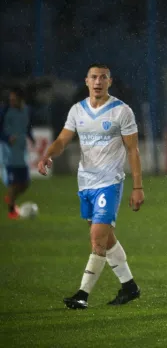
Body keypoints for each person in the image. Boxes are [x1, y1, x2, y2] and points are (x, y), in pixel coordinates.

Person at [37, 64, 145, 309]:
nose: (98, 82)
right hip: (85, 183)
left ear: (110, 82)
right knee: (106, 240)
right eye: (94, 77)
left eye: (103, 78)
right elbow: (63, 139)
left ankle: (82, 295)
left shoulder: (121, 111)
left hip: (109, 182)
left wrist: (137, 187)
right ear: (86, 81)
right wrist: (48, 155)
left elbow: (133, 150)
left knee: (97, 238)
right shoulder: (78, 110)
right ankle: (129, 287)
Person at [0, 87, 34, 219]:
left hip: (21, 149)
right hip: (8, 151)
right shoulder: (5, 111)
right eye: (10, 99)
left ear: (21, 99)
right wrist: (7, 138)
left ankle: (10, 198)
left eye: (14, 99)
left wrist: (31, 137)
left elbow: (27, 126)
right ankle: (11, 210)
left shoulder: (28, 110)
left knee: (25, 183)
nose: (11, 102)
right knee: (14, 183)